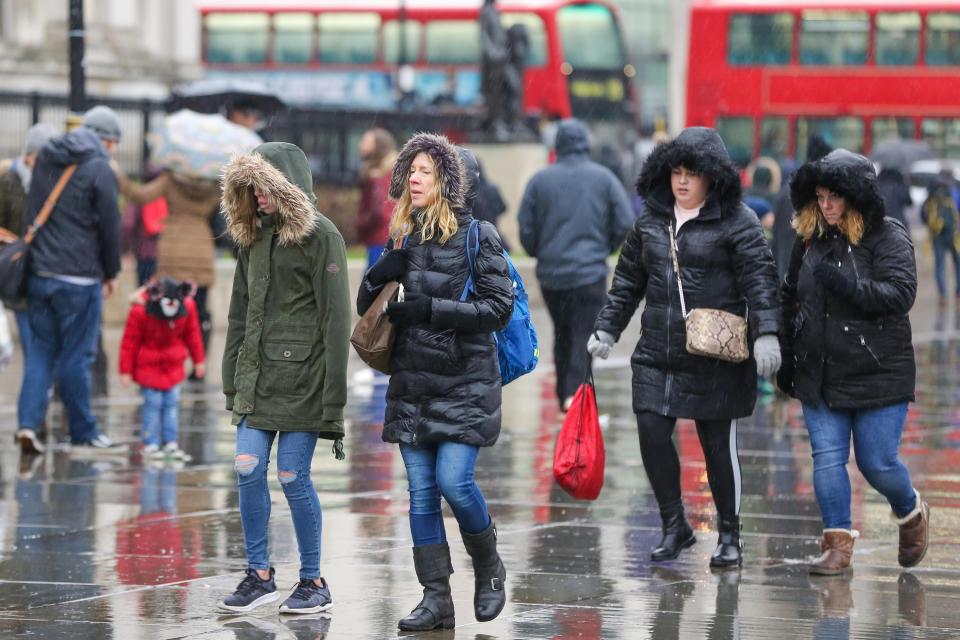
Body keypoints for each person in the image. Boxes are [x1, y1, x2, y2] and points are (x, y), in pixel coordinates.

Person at [588, 127, 782, 568]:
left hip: (716, 355)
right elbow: (627, 283)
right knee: (652, 433)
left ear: (712, 178)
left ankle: (729, 534)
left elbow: (761, 281)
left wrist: (767, 332)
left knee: (717, 448)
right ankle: (674, 525)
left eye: (691, 174)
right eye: (676, 172)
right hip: (659, 351)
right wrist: (607, 330)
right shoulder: (651, 221)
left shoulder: (739, 222)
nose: (682, 182)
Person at [357, 134, 514, 631]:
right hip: (412, 382)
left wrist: (432, 310)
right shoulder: (402, 233)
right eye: (412, 170)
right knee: (422, 493)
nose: (415, 178)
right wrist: (380, 272)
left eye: (426, 170)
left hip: (465, 382)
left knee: (454, 481)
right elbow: (370, 310)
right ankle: (436, 597)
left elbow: (498, 308)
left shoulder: (479, 237)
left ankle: (488, 565)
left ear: (448, 181)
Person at [778, 148, 928, 575]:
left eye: (835, 198)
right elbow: (789, 295)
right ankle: (837, 545)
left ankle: (910, 510)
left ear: (856, 196)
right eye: (820, 197)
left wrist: (848, 286)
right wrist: (786, 354)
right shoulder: (809, 238)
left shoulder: (887, 236)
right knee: (826, 457)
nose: (825, 206)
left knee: (876, 462)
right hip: (819, 371)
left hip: (878, 371)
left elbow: (901, 295)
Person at [218, 142, 351, 614]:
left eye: (265, 185)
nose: (258, 196)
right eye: (251, 187)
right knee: (247, 467)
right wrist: (231, 376)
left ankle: (313, 580)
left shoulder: (323, 237)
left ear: (286, 184)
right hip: (257, 379)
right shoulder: (251, 237)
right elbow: (239, 313)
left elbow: (338, 321)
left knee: (293, 476)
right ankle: (259, 575)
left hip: (304, 382)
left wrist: (334, 402)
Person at [16, 106, 123, 454]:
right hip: (79, 279)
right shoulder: (99, 167)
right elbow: (109, 226)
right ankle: (83, 431)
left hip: (41, 274)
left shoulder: (47, 156)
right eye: (115, 143)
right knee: (77, 357)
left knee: (40, 354)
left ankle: (28, 425)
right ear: (106, 140)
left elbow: (34, 209)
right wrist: (111, 272)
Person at [518, 119, 633, 411]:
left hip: (552, 275)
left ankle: (565, 396)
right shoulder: (604, 178)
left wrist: (542, 252)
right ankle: (576, 397)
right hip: (589, 273)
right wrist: (603, 248)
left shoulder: (539, 181)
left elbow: (526, 228)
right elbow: (624, 222)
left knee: (562, 333)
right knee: (584, 333)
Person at [115, 168, 221, 380]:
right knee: (199, 311)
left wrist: (119, 175)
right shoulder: (213, 186)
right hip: (201, 249)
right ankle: (199, 366)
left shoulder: (170, 180)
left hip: (172, 251)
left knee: (168, 308)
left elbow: (139, 195)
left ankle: (168, 362)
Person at [119, 277, 205, 460]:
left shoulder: (187, 308)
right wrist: (125, 370)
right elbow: (130, 342)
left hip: (173, 366)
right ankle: (150, 443)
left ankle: (170, 442)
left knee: (171, 404)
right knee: (153, 404)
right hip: (149, 367)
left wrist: (199, 360)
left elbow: (193, 334)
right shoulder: (140, 310)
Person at [0, 123, 58, 358]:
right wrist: (14, 242)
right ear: (29, 155)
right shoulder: (8, 181)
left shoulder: (53, 182)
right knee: (30, 339)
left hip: (47, 267)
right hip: (18, 269)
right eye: (37, 158)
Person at [356, 128, 397, 268]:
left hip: (380, 239)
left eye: (365, 141)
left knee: (373, 285)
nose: (360, 145)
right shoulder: (391, 171)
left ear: (377, 146)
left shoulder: (378, 176)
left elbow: (379, 211)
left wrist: (361, 223)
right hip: (388, 236)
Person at [921, 175, 960, 310]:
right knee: (958, 265)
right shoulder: (953, 192)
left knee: (940, 266)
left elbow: (923, 216)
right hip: (954, 235)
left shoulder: (930, 196)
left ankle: (943, 296)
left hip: (937, 236)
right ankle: (958, 295)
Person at [479, 0, 509, 137]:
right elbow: (484, 36)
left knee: (499, 93)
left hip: (499, 58)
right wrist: (493, 53)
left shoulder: (495, 11)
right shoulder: (486, 11)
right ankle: (494, 123)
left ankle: (498, 121)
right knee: (493, 94)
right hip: (493, 61)